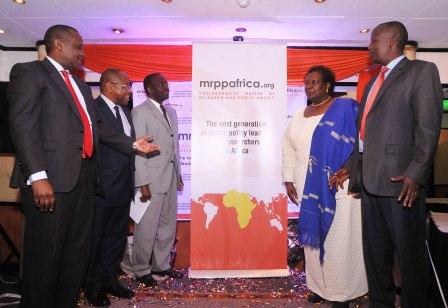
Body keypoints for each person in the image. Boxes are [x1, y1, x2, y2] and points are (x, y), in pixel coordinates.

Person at [8, 25, 158, 307]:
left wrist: (132, 144)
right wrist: (38, 175)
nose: (82, 53)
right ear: (58, 45)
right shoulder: (29, 73)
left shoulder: (78, 84)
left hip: (85, 181)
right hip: (50, 181)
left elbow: (95, 128)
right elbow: (23, 126)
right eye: (77, 47)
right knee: (46, 257)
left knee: (75, 255)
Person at [332, 21, 443, 307]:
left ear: (392, 41)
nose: (370, 46)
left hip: (401, 184)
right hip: (369, 184)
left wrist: (415, 174)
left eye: (374, 41)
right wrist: (352, 168)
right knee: (375, 256)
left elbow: (428, 128)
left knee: (409, 258)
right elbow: (364, 136)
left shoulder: (421, 71)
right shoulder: (372, 80)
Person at [282, 65, 367, 308]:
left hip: (338, 186)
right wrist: (288, 178)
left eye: (315, 82)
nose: (309, 86)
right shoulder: (300, 114)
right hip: (307, 187)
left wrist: (350, 168)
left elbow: (362, 143)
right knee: (314, 240)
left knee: (337, 241)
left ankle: (342, 292)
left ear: (328, 85)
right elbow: (287, 146)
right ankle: (320, 287)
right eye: (307, 82)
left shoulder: (346, 108)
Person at [83, 69, 136, 306]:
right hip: (101, 188)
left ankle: (110, 280)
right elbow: (107, 138)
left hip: (124, 187)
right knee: (97, 240)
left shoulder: (126, 111)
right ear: (108, 86)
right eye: (124, 86)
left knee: (116, 239)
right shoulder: (94, 109)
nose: (129, 91)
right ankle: (93, 287)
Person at [129, 73, 184, 286]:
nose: (166, 87)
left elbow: (174, 147)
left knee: (167, 224)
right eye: (161, 84)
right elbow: (138, 149)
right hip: (150, 180)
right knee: (147, 226)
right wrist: (142, 182)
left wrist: (178, 174)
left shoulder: (171, 112)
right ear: (149, 89)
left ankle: (162, 265)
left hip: (169, 177)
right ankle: (141, 269)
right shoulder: (139, 112)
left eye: (167, 83)